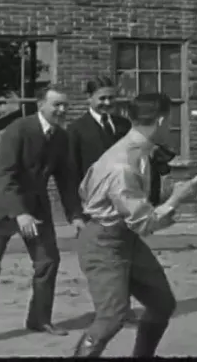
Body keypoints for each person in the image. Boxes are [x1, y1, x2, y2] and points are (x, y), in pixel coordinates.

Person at [73, 92, 197, 357]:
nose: (170, 127)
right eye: (170, 121)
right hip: (104, 242)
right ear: (160, 121)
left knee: (161, 303)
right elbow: (144, 222)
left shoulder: (139, 150)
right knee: (111, 317)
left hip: (124, 237)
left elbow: (135, 202)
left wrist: (182, 190)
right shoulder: (122, 164)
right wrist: (178, 198)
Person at [0, 87, 85, 348]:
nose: (61, 111)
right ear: (40, 105)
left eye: (65, 106)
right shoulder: (18, 130)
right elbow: (4, 175)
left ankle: (39, 319)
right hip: (2, 208)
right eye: (56, 105)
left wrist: (75, 214)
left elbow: (66, 178)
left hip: (35, 209)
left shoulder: (61, 137)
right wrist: (19, 213)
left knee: (48, 261)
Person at [67, 76, 177, 325]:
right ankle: (116, 311)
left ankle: (123, 310)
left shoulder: (124, 126)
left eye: (111, 98)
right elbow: (70, 174)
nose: (107, 103)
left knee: (153, 295)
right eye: (101, 98)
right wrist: (75, 214)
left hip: (127, 204)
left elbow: (147, 155)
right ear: (89, 99)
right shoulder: (76, 130)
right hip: (99, 208)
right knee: (110, 306)